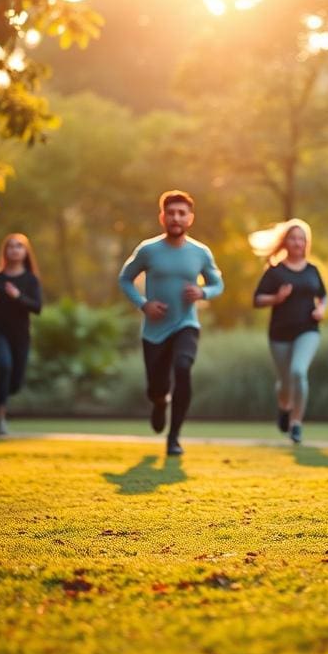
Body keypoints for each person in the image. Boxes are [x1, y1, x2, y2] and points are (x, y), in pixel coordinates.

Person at [119, 190, 224, 456]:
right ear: (162, 217)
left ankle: (174, 437)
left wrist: (203, 292)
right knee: (157, 388)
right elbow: (125, 279)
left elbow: (217, 284)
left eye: (181, 213)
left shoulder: (200, 252)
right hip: (154, 332)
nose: (176, 218)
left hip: (186, 324)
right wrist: (144, 304)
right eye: (171, 213)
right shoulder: (148, 250)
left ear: (190, 218)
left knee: (183, 367)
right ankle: (158, 402)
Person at [251, 219, 327, 445]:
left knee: (298, 372)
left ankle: (296, 423)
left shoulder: (312, 270)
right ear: (285, 242)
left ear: (306, 243)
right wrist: (276, 298)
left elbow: (323, 295)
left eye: (301, 239)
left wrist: (321, 309)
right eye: (293, 238)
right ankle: (284, 407)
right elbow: (257, 299)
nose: (297, 242)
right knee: (285, 382)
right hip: (280, 333)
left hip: (308, 330)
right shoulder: (275, 272)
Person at [0, 233, 42, 436]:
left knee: (14, 384)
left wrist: (18, 296)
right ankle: (0, 419)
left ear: (26, 252)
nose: (14, 249)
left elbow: (37, 307)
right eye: (11, 246)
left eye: (19, 246)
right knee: (5, 364)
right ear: (5, 251)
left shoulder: (30, 279)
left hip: (20, 335)